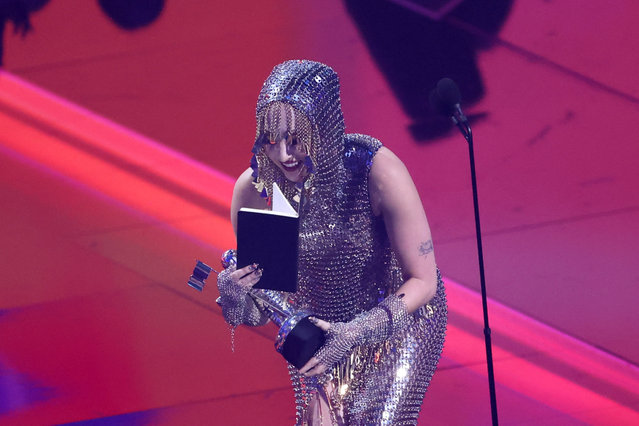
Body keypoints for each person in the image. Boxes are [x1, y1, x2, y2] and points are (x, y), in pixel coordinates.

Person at [216, 60, 447, 425]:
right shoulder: (257, 190)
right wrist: (236, 299)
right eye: (272, 141)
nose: (284, 156)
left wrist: (355, 332)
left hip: (400, 318)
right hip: (322, 329)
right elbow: (265, 306)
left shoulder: (378, 172)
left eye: (296, 141)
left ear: (322, 131)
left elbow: (424, 281)